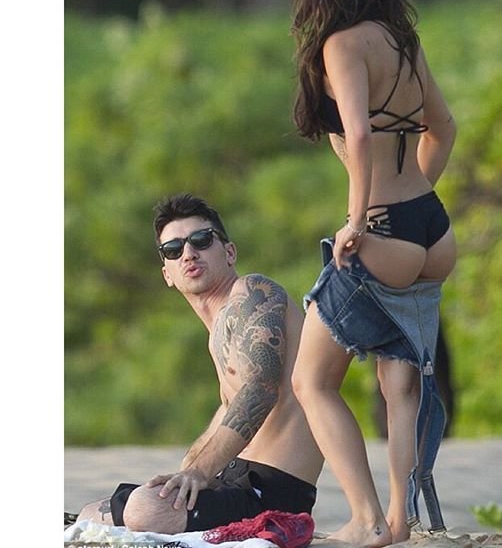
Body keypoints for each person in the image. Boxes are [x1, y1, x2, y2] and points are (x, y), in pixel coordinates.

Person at [289, 0, 457, 548]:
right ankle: (397, 520)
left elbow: (358, 135)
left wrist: (358, 220)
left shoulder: (341, 43)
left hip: (381, 231)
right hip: (431, 228)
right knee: (400, 382)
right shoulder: (403, 41)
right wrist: (416, 200)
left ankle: (365, 521)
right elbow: (444, 127)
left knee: (311, 381)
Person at [74, 193, 323, 534]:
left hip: (272, 489)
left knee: (145, 509)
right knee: (91, 513)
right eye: (173, 249)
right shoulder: (217, 330)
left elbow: (260, 389)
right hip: (231, 479)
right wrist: (186, 471)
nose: (188, 253)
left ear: (230, 252)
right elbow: (229, 407)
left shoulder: (253, 293)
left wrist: (199, 472)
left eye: (201, 240)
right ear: (167, 274)